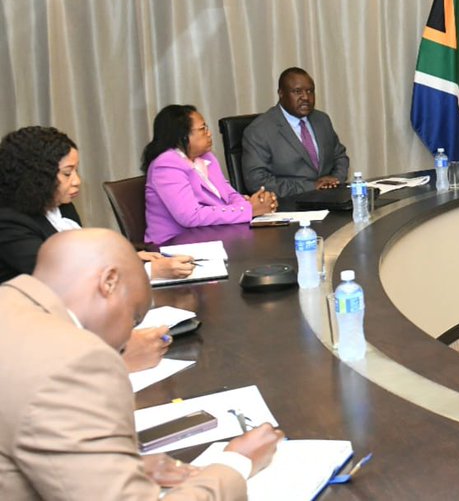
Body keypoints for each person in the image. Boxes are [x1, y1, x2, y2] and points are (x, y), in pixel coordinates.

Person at [0, 229, 283, 500]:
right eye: (135, 318)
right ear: (108, 282)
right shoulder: (76, 361)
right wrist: (237, 463)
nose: (127, 336)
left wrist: (112, 467)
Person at [0, 126, 192, 372]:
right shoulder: (9, 222)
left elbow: (82, 259)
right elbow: (64, 284)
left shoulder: (59, 203)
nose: (77, 181)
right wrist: (145, 271)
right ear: (37, 176)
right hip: (33, 346)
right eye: (67, 173)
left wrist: (127, 259)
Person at [143, 105, 277, 245]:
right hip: (174, 245)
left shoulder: (207, 157)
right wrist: (247, 210)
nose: (209, 133)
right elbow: (191, 216)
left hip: (211, 236)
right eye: (203, 129)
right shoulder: (166, 165)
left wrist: (256, 204)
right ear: (182, 135)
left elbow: (229, 195)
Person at [241, 67, 350, 198]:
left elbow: (340, 156)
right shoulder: (259, 130)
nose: (306, 97)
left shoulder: (321, 119)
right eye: (297, 91)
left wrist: (334, 180)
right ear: (281, 93)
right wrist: (312, 187)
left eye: (310, 91)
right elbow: (257, 182)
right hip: (290, 205)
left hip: (330, 199)